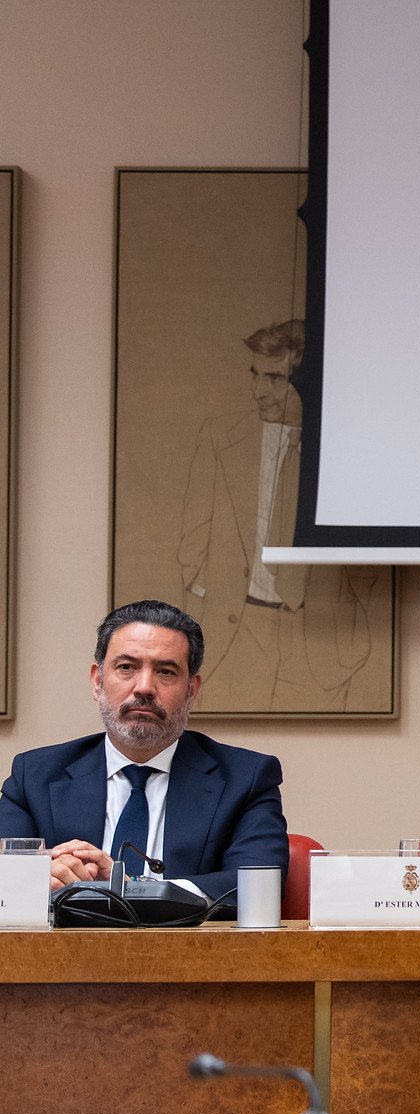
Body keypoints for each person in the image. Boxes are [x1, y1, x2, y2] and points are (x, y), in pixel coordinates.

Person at [0, 600, 287, 898]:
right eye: (127, 667)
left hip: (190, 945)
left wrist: (136, 888)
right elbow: (4, 878)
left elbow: (259, 887)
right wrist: (33, 879)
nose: (145, 687)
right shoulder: (35, 776)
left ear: (191, 690)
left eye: (165, 672)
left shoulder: (246, 779)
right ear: (98, 681)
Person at [176, 319, 384, 710]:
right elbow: (193, 537)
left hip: (323, 636)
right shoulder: (221, 437)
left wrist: (355, 599)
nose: (258, 391)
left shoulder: (351, 449)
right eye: (255, 375)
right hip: (236, 629)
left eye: (274, 379)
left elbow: (368, 558)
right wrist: (207, 594)